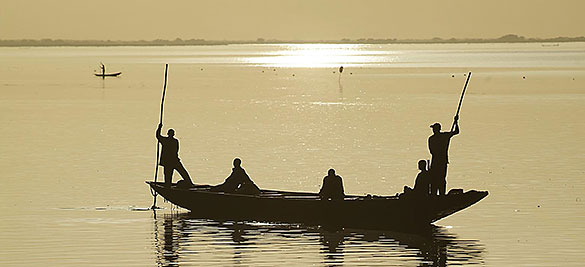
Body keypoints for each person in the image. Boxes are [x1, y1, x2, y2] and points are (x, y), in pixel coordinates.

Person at [428, 115, 459, 195]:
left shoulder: (439, 137)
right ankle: (437, 195)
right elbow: (456, 131)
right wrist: (456, 122)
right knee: (437, 178)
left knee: (440, 178)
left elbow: (456, 132)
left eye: (434, 129)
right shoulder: (443, 136)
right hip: (440, 161)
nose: (433, 130)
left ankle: (439, 194)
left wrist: (456, 122)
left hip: (439, 161)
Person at [156, 123, 193, 187]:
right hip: (171, 161)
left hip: (172, 161)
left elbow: (158, 136)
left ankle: (189, 184)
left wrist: (159, 128)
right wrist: (159, 128)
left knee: (182, 173)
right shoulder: (170, 141)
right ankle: (169, 186)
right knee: (169, 176)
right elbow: (158, 136)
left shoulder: (168, 141)